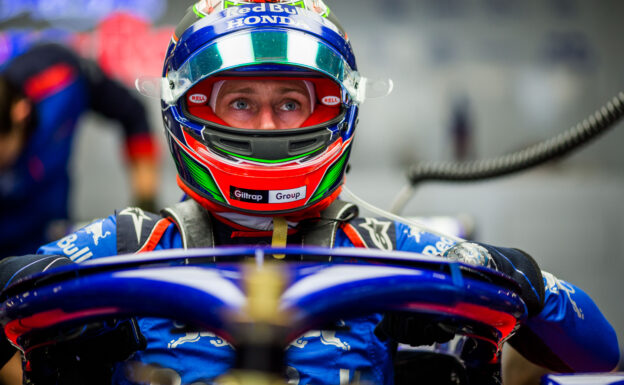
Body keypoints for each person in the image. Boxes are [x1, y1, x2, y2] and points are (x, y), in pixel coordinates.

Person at [0, 1, 620, 384]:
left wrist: (529, 284)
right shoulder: (130, 242)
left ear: (335, 109)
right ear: (182, 108)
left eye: (291, 103)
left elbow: (597, 354)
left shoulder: (386, 244)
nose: (268, 129)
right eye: (240, 103)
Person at [0, 42, 160, 259]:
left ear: (19, 115)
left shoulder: (61, 79)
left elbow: (133, 115)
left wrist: (145, 203)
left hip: (51, 241)